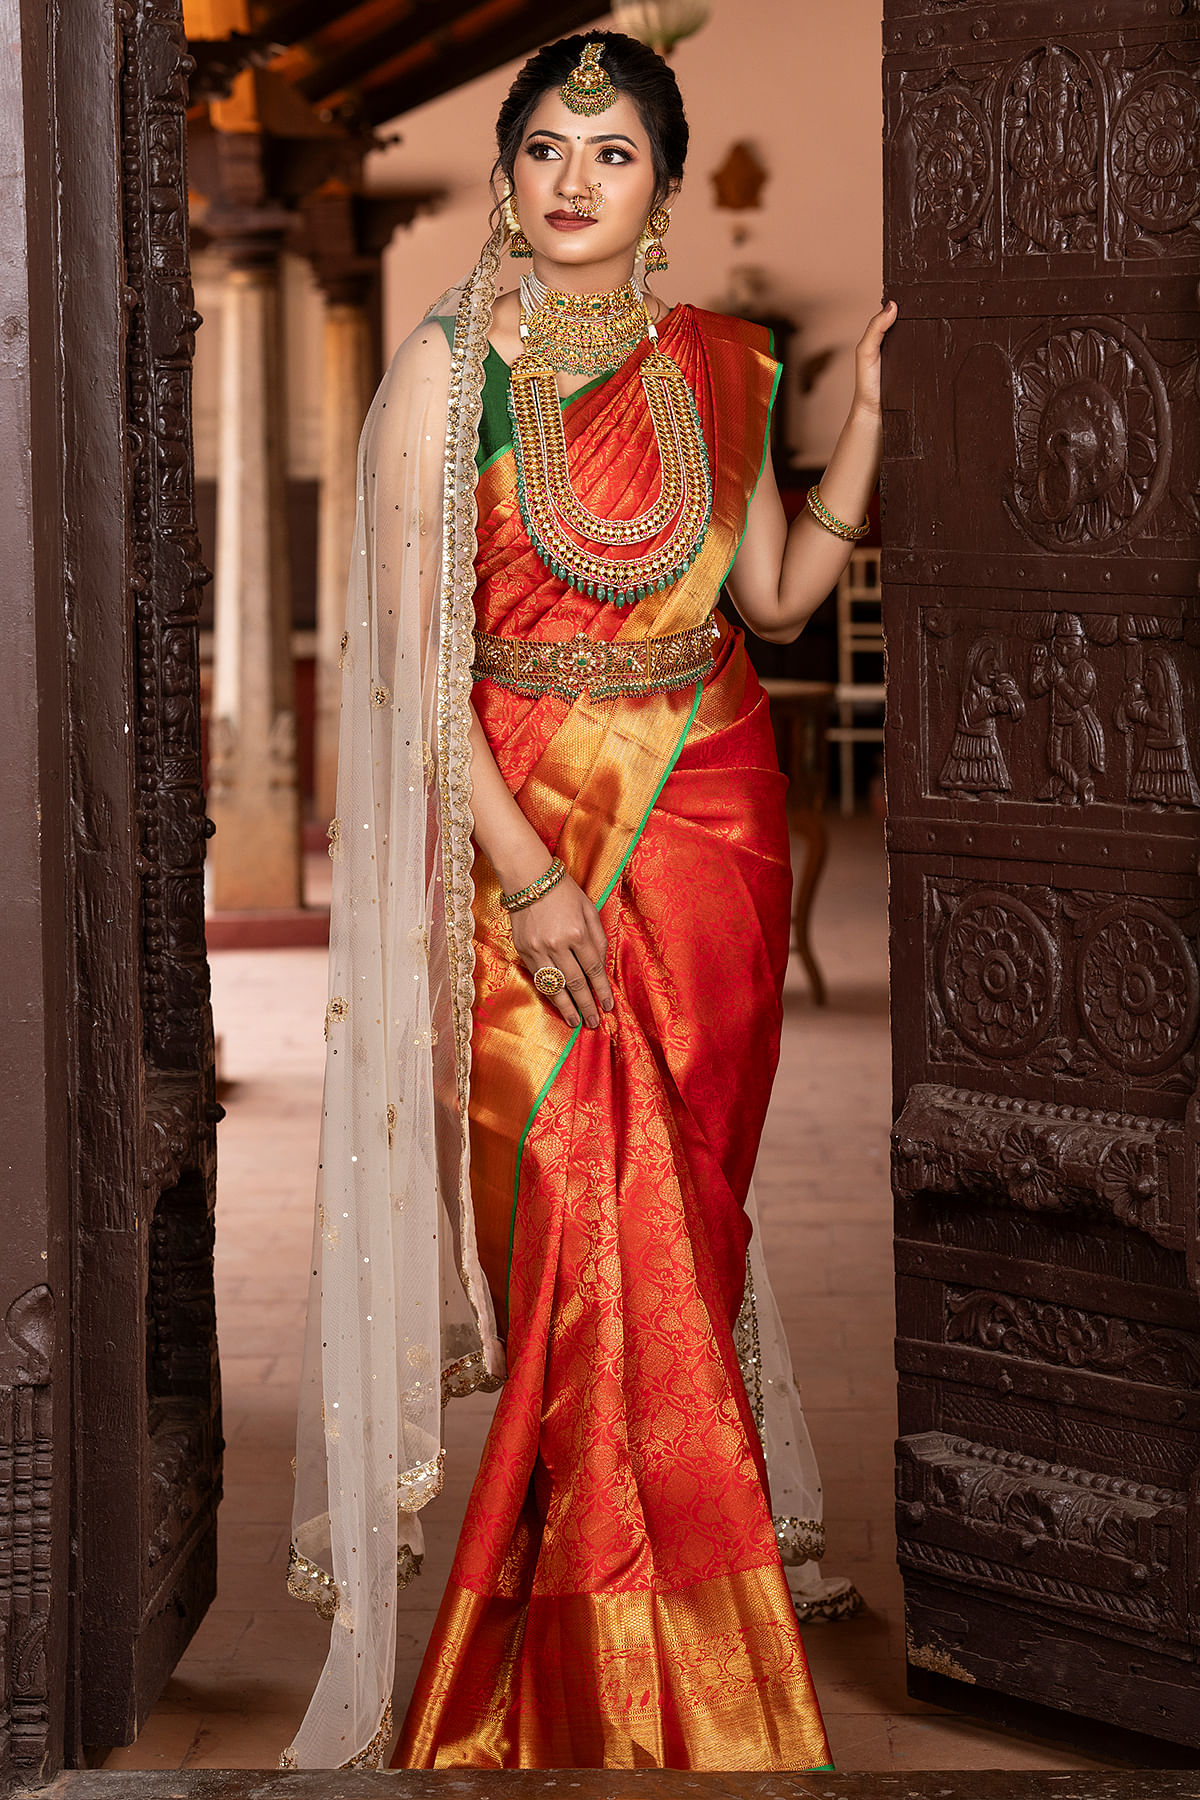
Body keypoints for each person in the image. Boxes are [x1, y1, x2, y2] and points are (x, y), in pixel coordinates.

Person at [282, 31, 894, 1773]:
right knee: (569, 1236)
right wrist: (533, 874)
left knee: (679, 1239)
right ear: (505, 170)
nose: (572, 178)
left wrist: (866, 445)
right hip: (525, 844)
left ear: (664, 188)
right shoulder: (446, 377)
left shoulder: (725, 366)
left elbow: (768, 598)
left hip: (711, 820)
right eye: (547, 145)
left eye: (611, 154)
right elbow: (413, 671)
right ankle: (576, 1657)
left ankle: (639, 1662)